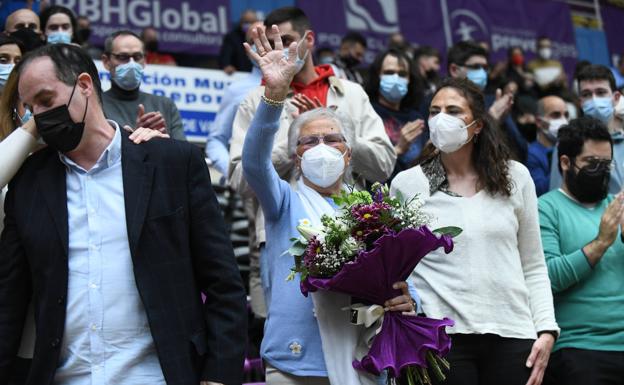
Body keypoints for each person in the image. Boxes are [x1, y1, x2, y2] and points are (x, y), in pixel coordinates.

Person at [0, 43, 247, 385]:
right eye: (30, 109)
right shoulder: (28, 183)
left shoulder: (172, 164)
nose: (40, 116)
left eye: (46, 100)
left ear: (85, 85)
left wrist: (218, 375)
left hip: (157, 375)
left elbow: (222, 280)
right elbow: (9, 298)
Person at [242, 25, 417, 384]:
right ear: (295, 156)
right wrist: (274, 95)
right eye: (309, 142)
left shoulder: (374, 212)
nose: (321, 147)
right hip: (293, 364)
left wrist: (407, 301)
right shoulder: (283, 201)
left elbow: (397, 280)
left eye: (332, 139)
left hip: (364, 360)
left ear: (349, 153)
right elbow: (254, 164)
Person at [391, 77, 559, 385]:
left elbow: (533, 264)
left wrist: (546, 329)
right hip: (439, 337)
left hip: (514, 333)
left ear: (478, 125)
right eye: (434, 110)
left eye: (454, 111)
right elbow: (396, 266)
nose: (441, 118)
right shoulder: (407, 183)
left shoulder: (515, 176)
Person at [229, 6, 395, 286]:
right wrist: (296, 143)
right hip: (282, 235)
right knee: (291, 323)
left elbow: (383, 166)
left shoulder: (350, 94)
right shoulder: (256, 101)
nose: (281, 48)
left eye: (288, 39)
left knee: (351, 325)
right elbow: (240, 180)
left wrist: (333, 132)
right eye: (272, 42)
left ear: (309, 39)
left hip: (352, 232)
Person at [539, 117, 624, 385]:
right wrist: (600, 243)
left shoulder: (617, 206)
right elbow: (548, 278)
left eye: (605, 164)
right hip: (579, 346)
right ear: (566, 163)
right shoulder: (546, 208)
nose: (600, 171)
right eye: (591, 164)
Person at [446, 40, 527, 163]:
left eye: (485, 68)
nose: (482, 73)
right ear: (454, 70)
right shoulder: (438, 105)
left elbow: (522, 150)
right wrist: (491, 119)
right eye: (476, 67)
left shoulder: (493, 101)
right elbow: (451, 153)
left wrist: (504, 122)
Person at [550, 64, 623, 193]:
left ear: (616, 98)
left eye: (601, 92)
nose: (594, 100)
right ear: (580, 102)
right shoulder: (567, 142)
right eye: (586, 94)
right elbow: (559, 195)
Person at [205, 21, 264, 181]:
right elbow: (216, 140)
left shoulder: (296, 83)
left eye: (265, 38)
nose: (260, 45)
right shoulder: (237, 90)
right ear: (246, 49)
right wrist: (234, 175)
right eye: (253, 42)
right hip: (251, 186)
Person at [101, 30, 186, 140]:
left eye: (137, 57)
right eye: (123, 57)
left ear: (144, 60)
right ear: (106, 61)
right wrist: (136, 138)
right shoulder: (96, 106)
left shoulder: (165, 106)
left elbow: (185, 154)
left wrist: (164, 142)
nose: (131, 64)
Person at [365, 48, 426, 178]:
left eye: (402, 74)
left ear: (410, 79)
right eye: (389, 72)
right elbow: (362, 166)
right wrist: (399, 148)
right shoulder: (366, 113)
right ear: (377, 76)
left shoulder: (416, 118)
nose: (395, 78)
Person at [528, 95, 568, 196]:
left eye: (566, 115)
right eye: (556, 115)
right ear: (539, 122)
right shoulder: (532, 154)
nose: (563, 120)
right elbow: (541, 191)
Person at [218, 9, 257, 75]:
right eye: (246, 22)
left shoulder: (260, 36)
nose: (249, 25)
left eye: (252, 22)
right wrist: (227, 65)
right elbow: (226, 55)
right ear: (241, 21)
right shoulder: (232, 37)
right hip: (238, 75)